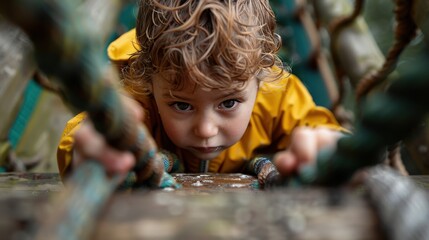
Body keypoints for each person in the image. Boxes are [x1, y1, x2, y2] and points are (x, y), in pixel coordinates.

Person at [57, 0, 347, 186]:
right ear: (149, 81)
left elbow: (321, 132)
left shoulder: (278, 94)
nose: (206, 129)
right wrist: (92, 148)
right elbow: (84, 137)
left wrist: (328, 146)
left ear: (260, 79)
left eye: (229, 102)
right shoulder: (139, 96)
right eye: (182, 105)